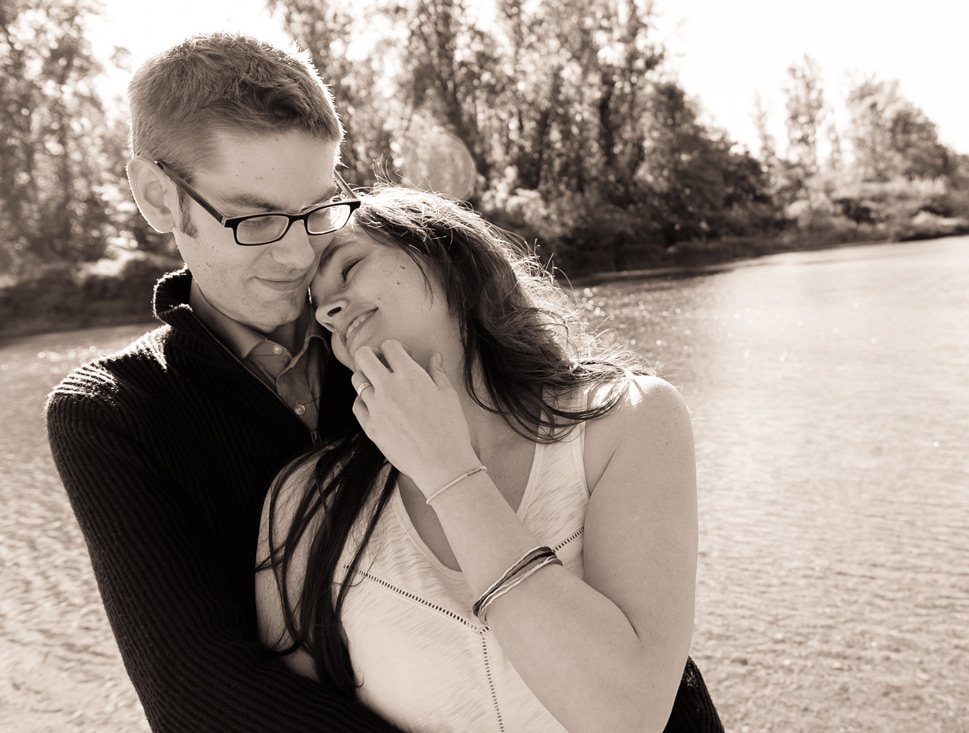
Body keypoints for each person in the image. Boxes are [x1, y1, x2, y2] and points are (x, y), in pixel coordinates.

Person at [256, 187, 724, 732]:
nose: (330, 312)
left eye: (350, 267)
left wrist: (445, 470)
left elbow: (625, 715)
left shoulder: (627, 417)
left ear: (447, 254)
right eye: (318, 311)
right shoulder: (304, 502)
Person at [45, 32, 404, 731]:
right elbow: (199, 693)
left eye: (318, 208)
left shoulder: (402, 314)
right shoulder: (112, 414)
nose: (300, 254)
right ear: (158, 197)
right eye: (258, 218)